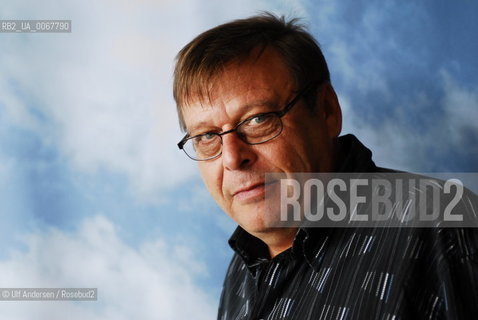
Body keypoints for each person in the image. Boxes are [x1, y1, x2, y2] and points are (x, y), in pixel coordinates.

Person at [173, 13, 478, 319]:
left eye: (258, 119)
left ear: (327, 111)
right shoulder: (242, 268)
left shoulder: (444, 231)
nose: (232, 158)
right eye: (208, 136)